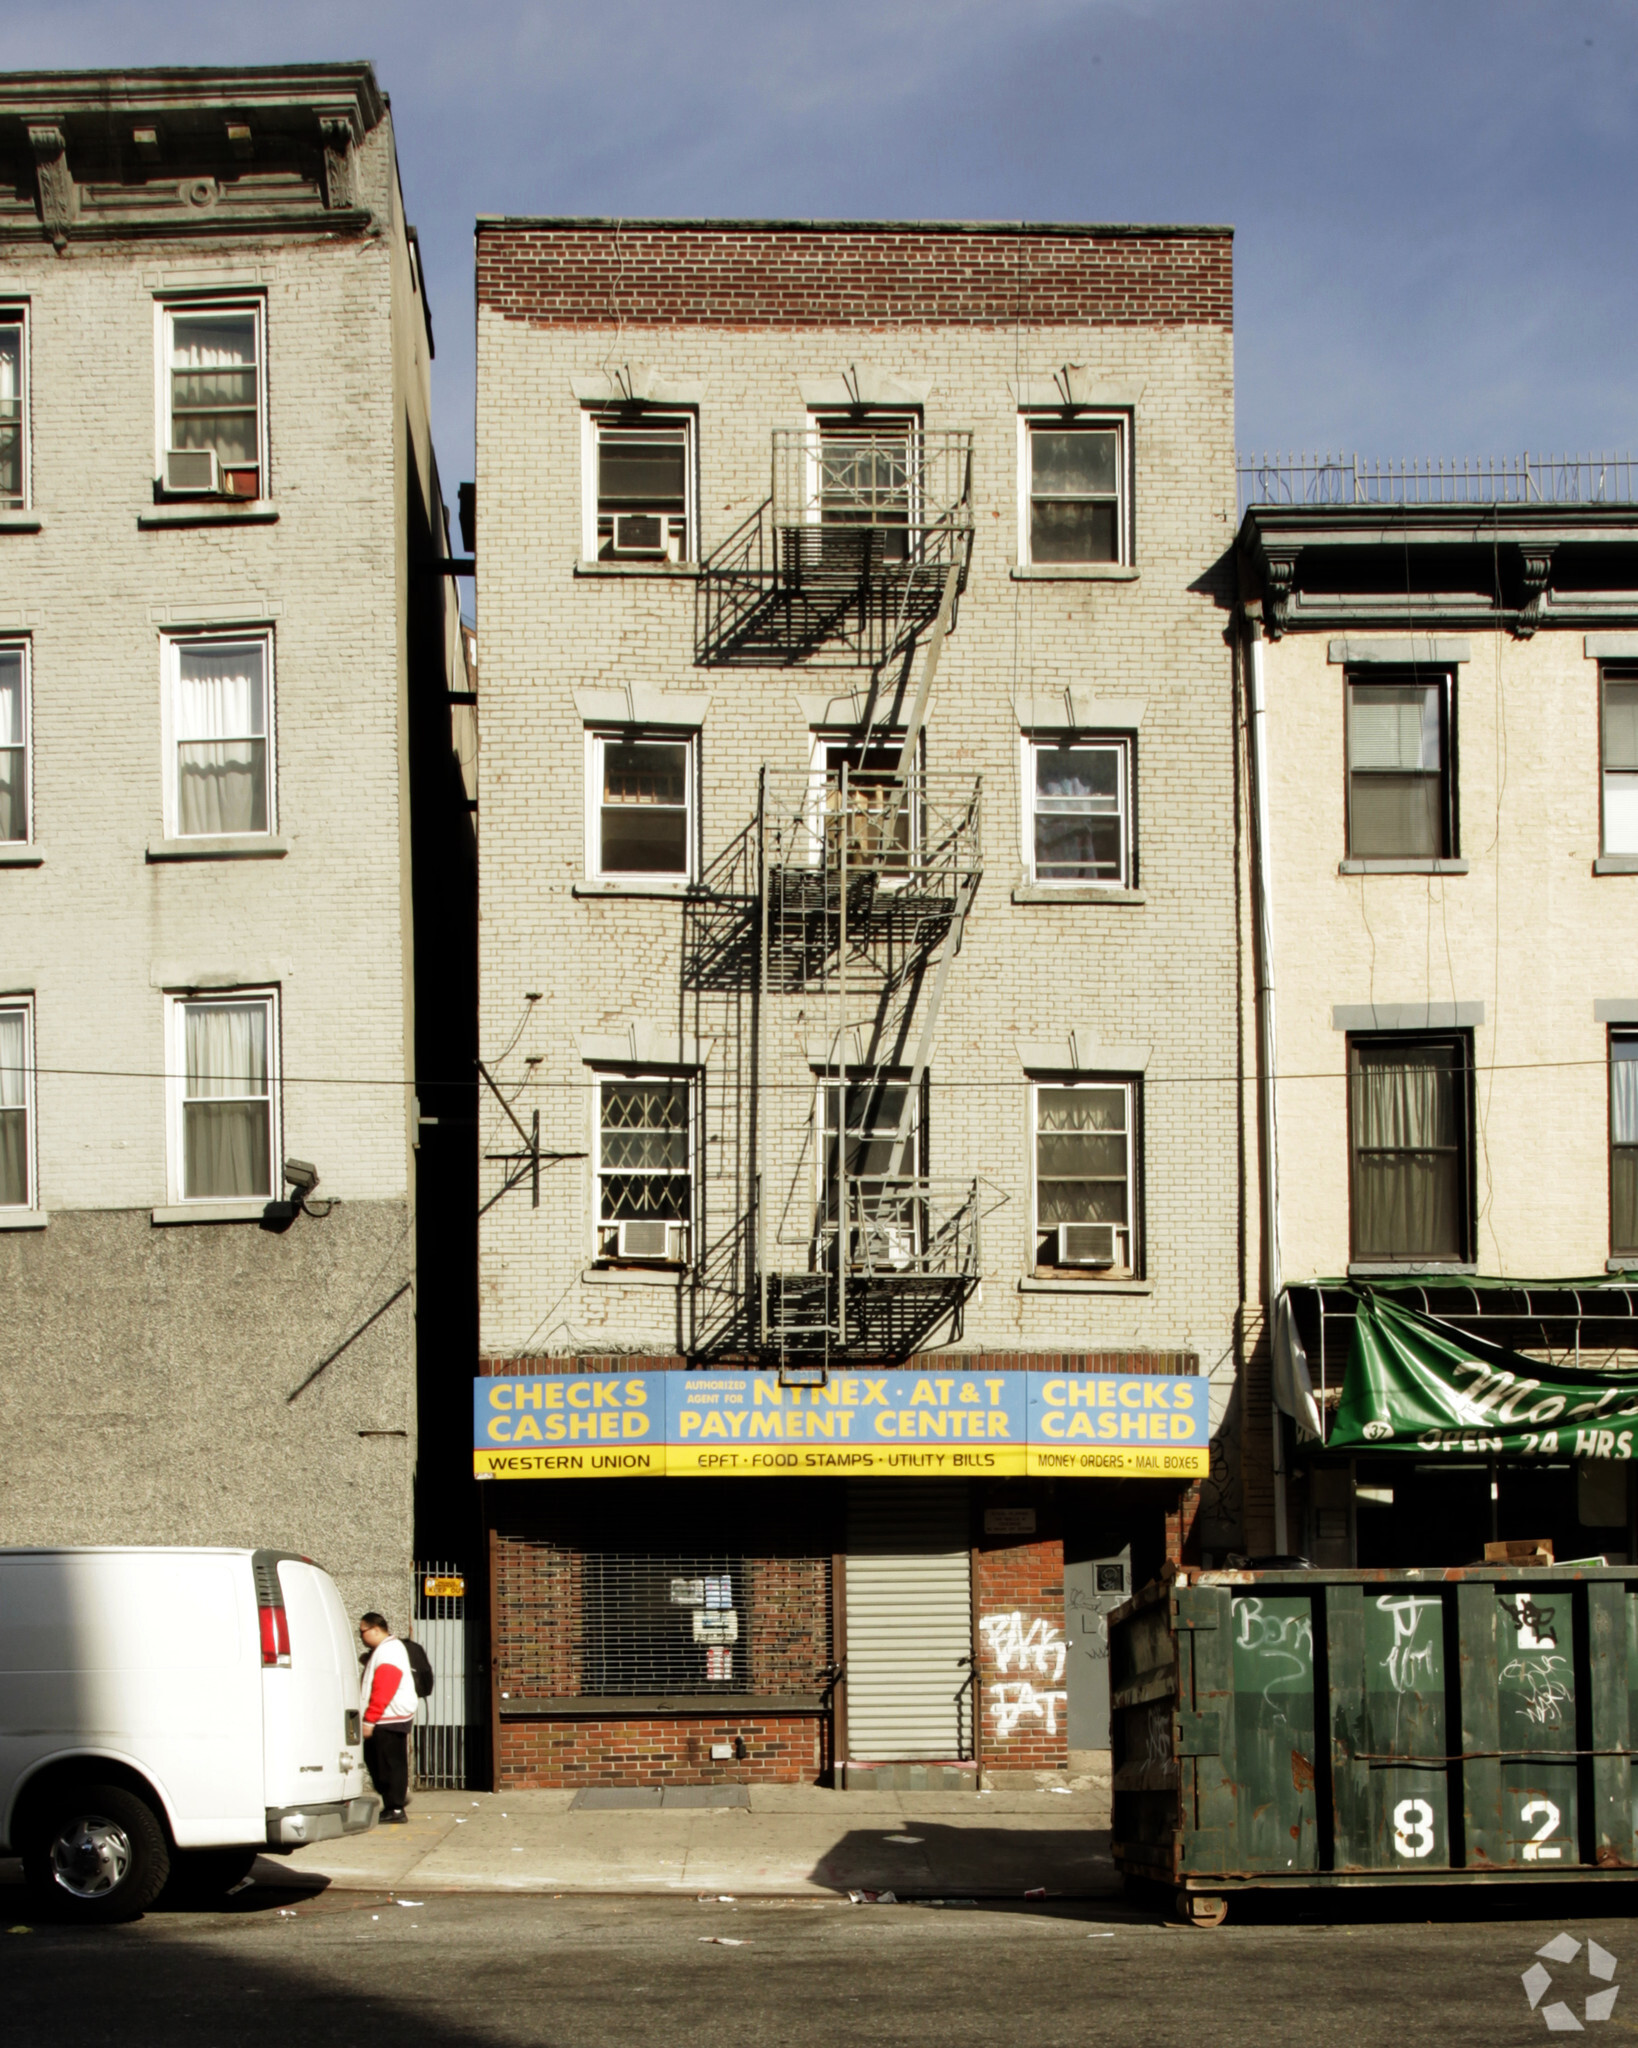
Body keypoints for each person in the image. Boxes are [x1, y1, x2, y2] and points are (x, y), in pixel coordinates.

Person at [358, 1612, 416, 1824]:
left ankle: (395, 1806)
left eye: (362, 1631)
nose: (360, 1636)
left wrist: (370, 1719)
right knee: (381, 1761)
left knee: (387, 1763)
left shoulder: (389, 1651)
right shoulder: (385, 1650)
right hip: (387, 1716)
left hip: (388, 1716)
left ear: (375, 1629)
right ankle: (395, 1800)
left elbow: (385, 1686)